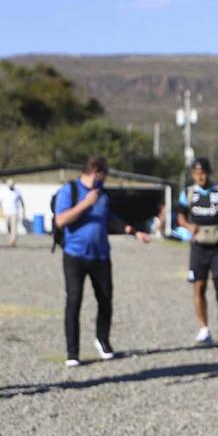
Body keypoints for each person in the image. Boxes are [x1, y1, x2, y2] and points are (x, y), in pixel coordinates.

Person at [53, 155, 150, 367]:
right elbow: (60, 220)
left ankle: (102, 340)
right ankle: (72, 352)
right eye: (104, 173)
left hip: (101, 257)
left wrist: (134, 232)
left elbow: (111, 219)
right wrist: (85, 204)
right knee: (74, 301)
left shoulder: (102, 195)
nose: (105, 178)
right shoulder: (70, 190)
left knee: (105, 300)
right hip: (75, 255)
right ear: (96, 171)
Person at [177, 158, 218, 344]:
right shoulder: (188, 193)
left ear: (209, 173)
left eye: (203, 172)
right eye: (196, 173)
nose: (200, 176)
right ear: (192, 174)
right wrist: (188, 226)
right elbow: (180, 215)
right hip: (198, 246)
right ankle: (204, 327)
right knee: (199, 286)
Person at [0, 179, 26, 246]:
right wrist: (1, 210)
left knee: (14, 227)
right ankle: (11, 237)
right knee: (8, 226)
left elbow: (21, 200)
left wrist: (23, 209)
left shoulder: (17, 191)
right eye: (10, 184)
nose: (11, 185)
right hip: (6, 212)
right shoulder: (3, 191)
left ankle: (13, 240)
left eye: (12, 184)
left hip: (15, 211)